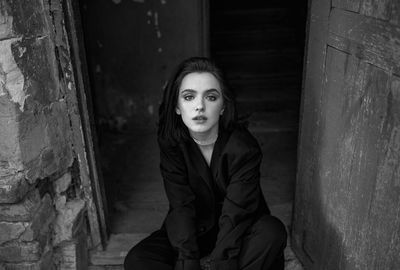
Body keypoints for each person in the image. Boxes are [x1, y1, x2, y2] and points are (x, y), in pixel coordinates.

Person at [124, 57, 287, 270]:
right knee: (138, 260)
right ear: (177, 107)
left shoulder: (243, 148)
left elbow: (236, 212)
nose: (199, 106)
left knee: (272, 232)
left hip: (239, 230)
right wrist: (188, 261)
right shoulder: (172, 142)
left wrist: (221, 263)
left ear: (222, 107)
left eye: (210, 97)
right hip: (193, 228)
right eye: (189, 97)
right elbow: (181, 204)